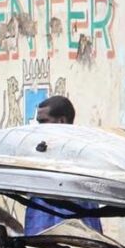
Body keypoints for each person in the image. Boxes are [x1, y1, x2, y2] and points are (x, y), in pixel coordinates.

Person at [25, 96, 101, 235]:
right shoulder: (41, 152)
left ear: (61, 121)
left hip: (74, 234)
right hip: (40, 233)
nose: (38, 128)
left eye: (44, 121)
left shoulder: (80, 156)